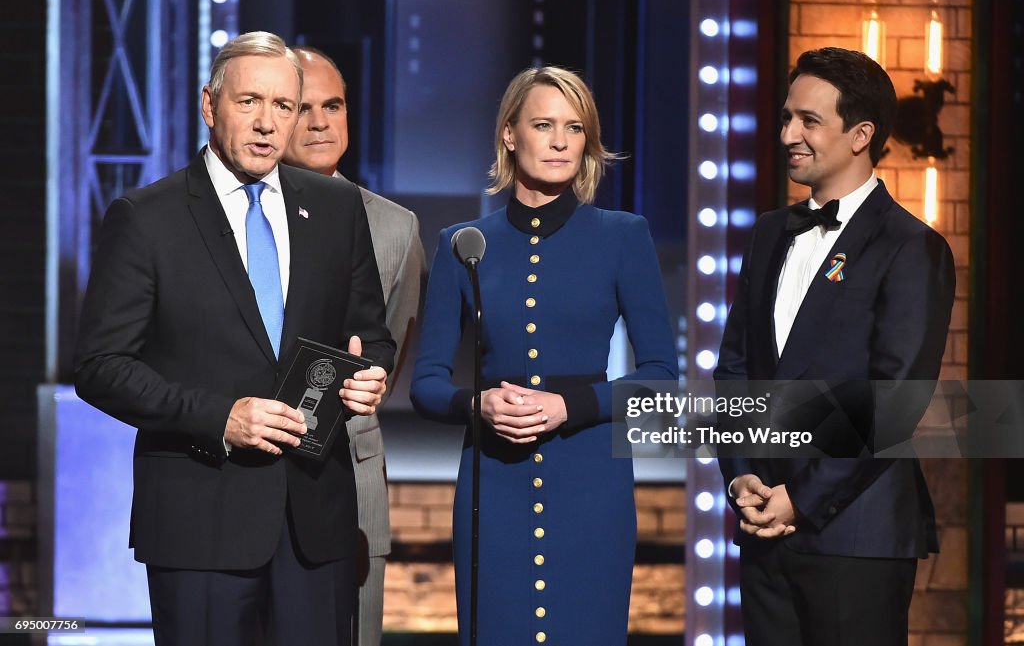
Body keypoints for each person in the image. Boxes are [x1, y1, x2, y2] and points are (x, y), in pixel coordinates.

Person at [74, 31, 396, 646]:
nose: (268, 123)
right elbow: (100, 365)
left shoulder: (334, 208)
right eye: (250, 102)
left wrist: (371, 375)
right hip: (201, 520)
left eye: (284, 106)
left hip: (313, 520)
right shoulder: (148, 218)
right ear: (209, 105)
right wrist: (221, 418)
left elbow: (370, 337)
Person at [410, 66, 677, 646]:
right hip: (492, 483)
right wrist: (475, 403)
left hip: (591, 482)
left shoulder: (622, 236)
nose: (559, 141)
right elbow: (426, 382)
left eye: (574, 128)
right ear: (510, 135)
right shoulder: (462, 244)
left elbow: (661, 378)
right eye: (543, 125)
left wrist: (569, 406)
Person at [715, 47, 955, 646]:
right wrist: (742, 477)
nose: (788, 134)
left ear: (860, 135)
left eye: (808, 120)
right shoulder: (771, 231)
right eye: (786, 117)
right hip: (763, 526)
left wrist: (800, 498)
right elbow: (736, 371)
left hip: (857, 535)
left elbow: (893, 402)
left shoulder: (910, 247)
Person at [283, 46, 425, 646]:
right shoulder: (228, 216)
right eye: (303, 107)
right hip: (245, 478)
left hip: (352, 478)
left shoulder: (395, 227)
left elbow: (396, 345)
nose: (320, 122)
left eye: (333, 106)